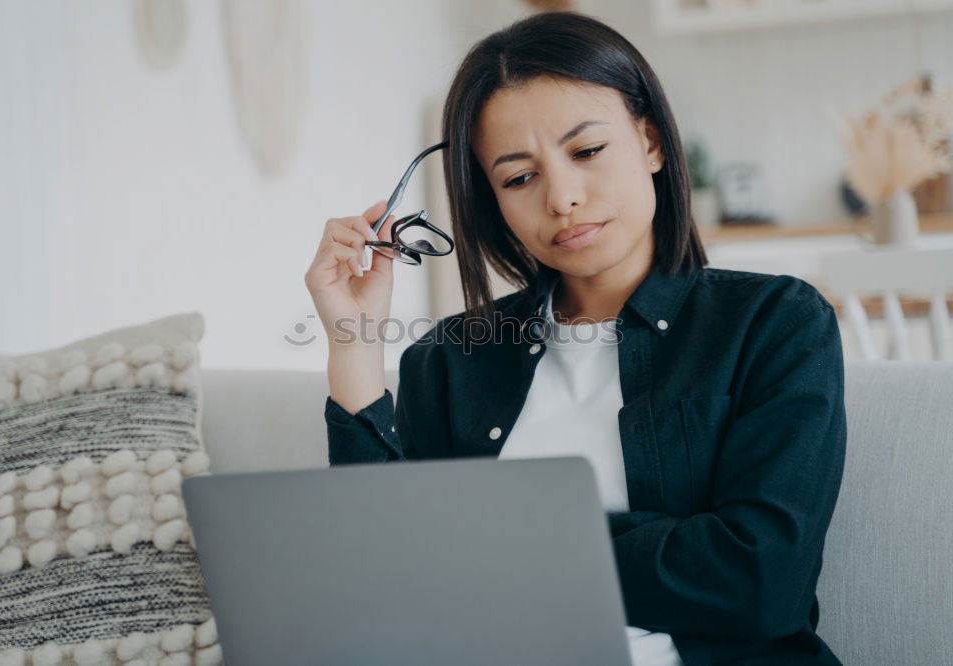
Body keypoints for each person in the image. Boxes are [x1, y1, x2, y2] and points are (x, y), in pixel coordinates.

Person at [304, 11, 845, 666]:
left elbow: (759, 582)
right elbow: (382, 582)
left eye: (586, 151)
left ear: (651, 142)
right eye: (518, 177)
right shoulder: (452, 357)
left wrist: (485, 552)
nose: (562, 197)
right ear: (492, 200)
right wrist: (354, 348)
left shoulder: (774, 322)